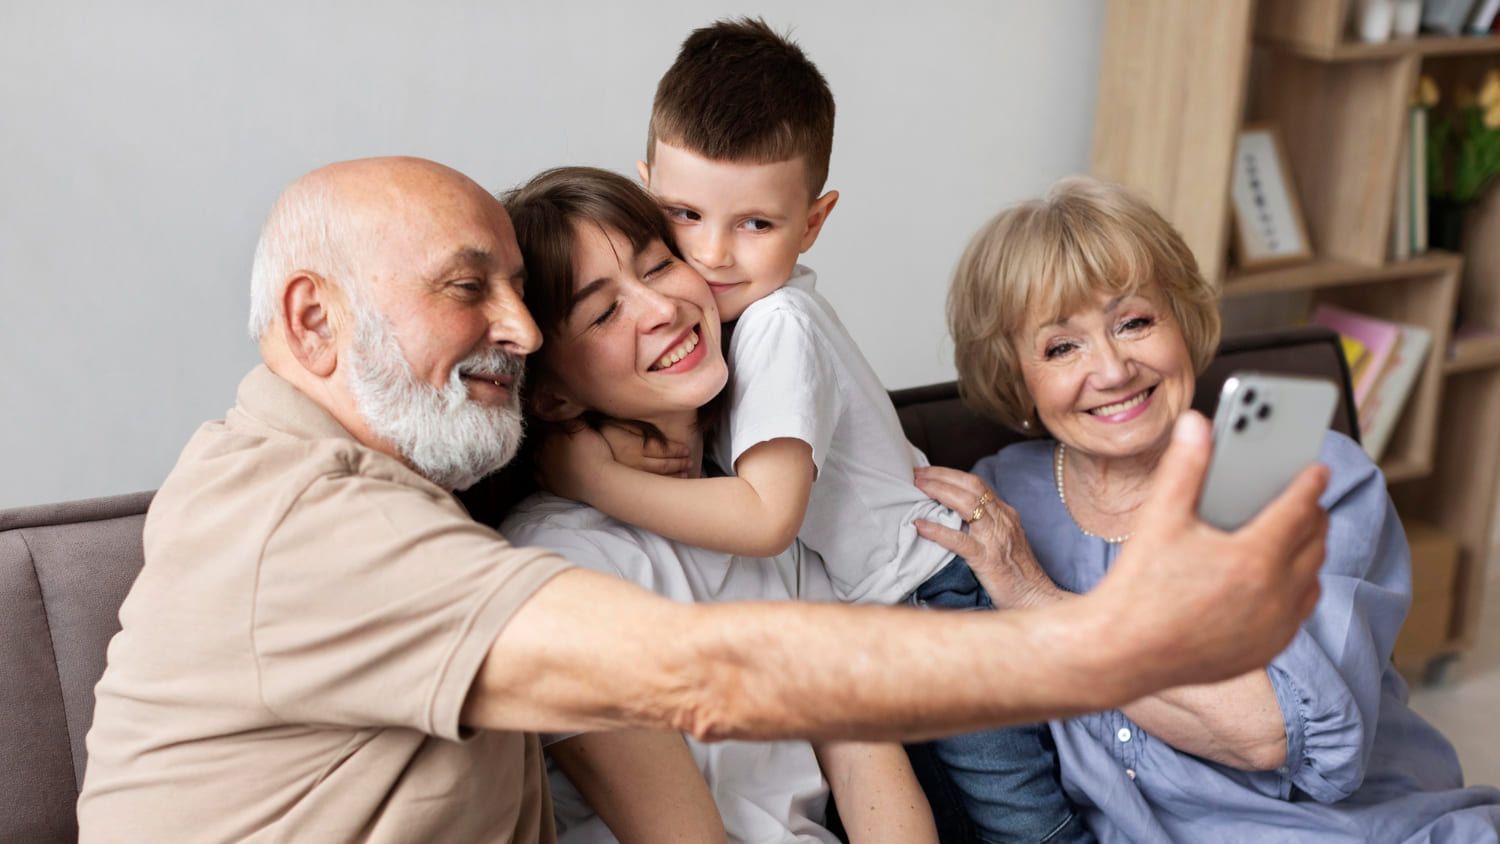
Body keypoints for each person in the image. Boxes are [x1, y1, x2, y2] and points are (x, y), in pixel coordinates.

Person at [77, 156, 1330, 843]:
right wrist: (1089, 639)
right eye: (475, 287)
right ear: (313, 319)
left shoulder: (454, 520)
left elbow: (1312, 730)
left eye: (522, 292)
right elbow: (700, 677)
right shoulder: (310, 522)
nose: (512, 328)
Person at [537, 19, 1086, 841]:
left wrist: (590, 475)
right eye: (682, 216)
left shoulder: (776, 325)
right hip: (882, 607)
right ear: (647, 187)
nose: (714, 256)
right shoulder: (714, 351)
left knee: (1019, 814)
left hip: (921, 596)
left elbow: (765, 519)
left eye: (755, 225)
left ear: (814, 221)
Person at [940, 175, 1500, 843]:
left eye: (1135, 322)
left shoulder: (1306, 476)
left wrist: (1041, 605)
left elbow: (1274, 734)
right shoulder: (1000, 502)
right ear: (1015, 378)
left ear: (1183, 321)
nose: (1114, 370)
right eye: (1062, 347)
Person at [497, 165, 938, 843]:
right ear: (553, 397)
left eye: (657, 267)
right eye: (606, 311)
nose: (662, 309)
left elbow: (864, 765)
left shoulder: (768, 503)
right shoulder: (561, 565)